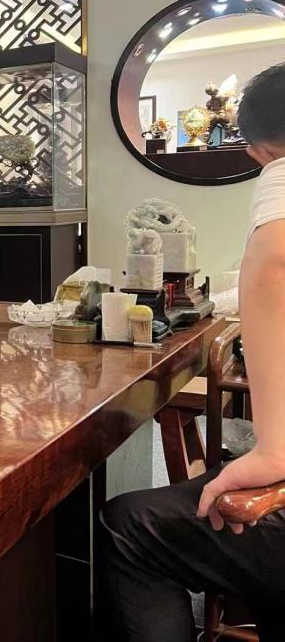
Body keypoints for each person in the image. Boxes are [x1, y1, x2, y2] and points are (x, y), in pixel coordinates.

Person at [98, 64, 285, 641]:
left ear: (256, 149)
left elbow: (274, 263)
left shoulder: (279, 174)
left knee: (128, 527)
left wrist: (275, 448)